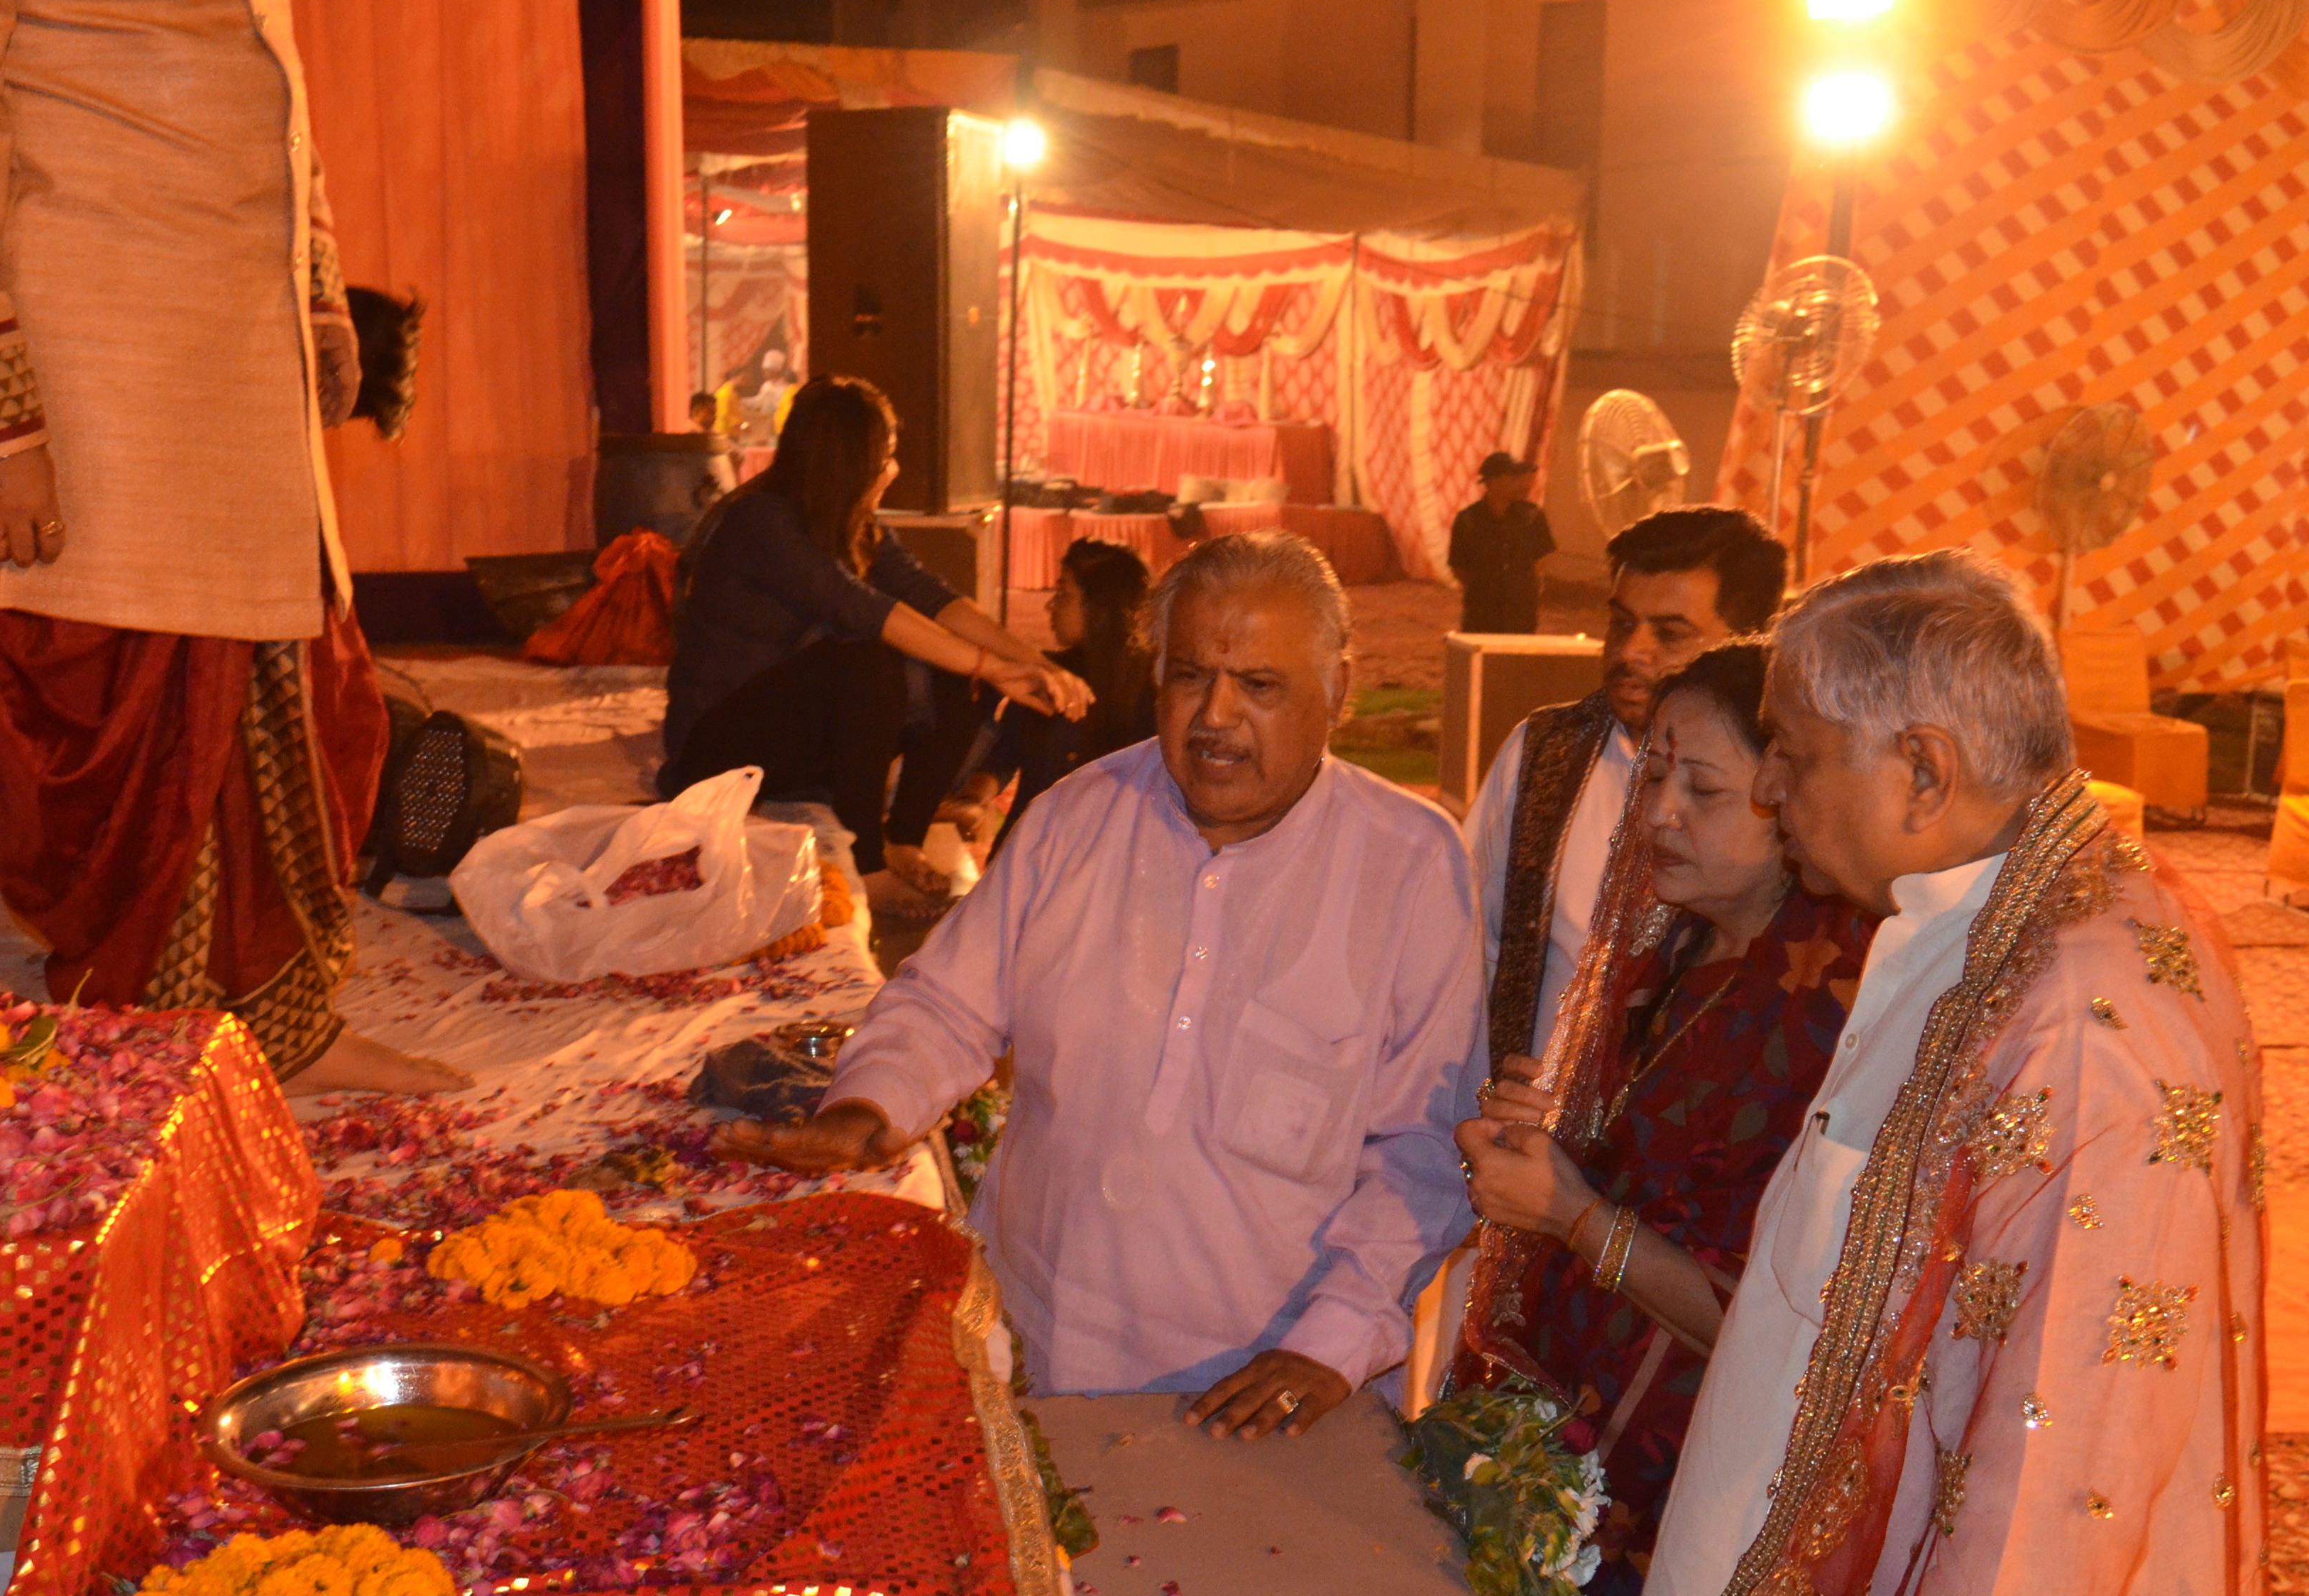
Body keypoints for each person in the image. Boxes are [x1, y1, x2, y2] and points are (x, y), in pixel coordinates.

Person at [1572, 553, 2271, 1596]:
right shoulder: (1988, 929)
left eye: (1795, 751)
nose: (1776, 786)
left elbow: (2064, 1450)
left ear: (1926, 771)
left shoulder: (2081, 1012)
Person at [0, 0, 452, 1095]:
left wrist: (318, 286)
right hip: (80, 372)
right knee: (124, 708)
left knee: (285, 691)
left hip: (232, 362)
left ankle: (275, 1025)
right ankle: (157, 1047)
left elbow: (266, 84)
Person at [715, 533, 1483, 1433]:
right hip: (1037, 1331)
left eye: (1258, 685)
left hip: (1262, 1385)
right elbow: (948, 1002)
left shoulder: (1409, 865)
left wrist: (1331, 1343)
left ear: (1338, 693)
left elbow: (1423, 1148)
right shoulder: (1077, 817)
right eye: (1188, 676)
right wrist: (868, 1107)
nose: (1214, 716)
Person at [1449, 644, 1874, 1596]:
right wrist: (1552, 1143)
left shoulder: (1837, 1012)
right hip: (1590, 1490)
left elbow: (1796, 1320)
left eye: (1704, 789)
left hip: (1706, 1512)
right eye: (1653, 786)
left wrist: (1573, 1213)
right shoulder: (1671, 962)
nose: (1658, 821)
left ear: (1787, 796)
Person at [657, 377, 1084, 881]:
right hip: (715, 752)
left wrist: (1032, 663)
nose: (893, 471)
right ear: (847, 464)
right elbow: (863, 608)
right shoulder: (761, 521)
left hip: (794, 747)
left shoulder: (854, 525)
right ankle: (868, 866)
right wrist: (992, 666)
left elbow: (933, 597)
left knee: (960, 665)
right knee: (866, 660)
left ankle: (904, 839)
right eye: (886, 458)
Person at [1469, 507, 1789, 1071]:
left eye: (1670, 633)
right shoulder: (1545, 751)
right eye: (1620, 623)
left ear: (1749, 642)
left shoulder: (1790, 779)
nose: (1630, 652)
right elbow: (1471, 947)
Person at [968, 539, 1159, 844]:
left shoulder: (1155, 691)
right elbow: (1005, 755)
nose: (1050, 606)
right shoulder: (1050, 676)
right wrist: (974, 799)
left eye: (1063, 594)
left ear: (1101, 607)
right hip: (1030, 848)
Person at [1450, 450, 1558, 636]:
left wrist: (1524, 585)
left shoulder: (1532, 517)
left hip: (1520, 611)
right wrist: (1484, 586)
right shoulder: (1468, 520)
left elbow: (1543, 555)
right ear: (1493, 483)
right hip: (1482, 612)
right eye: (1513, 479)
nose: (1520, 484)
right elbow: (1458, 565)